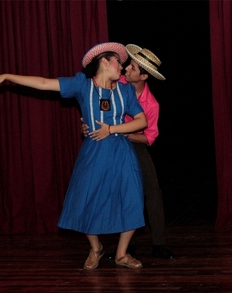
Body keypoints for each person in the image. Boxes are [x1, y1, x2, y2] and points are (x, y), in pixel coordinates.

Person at [0, 42, 147, 269]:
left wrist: (111, 129)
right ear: (105, 63)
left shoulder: (125, 91)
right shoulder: (82, 85)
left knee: (131, 199)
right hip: (95, 151)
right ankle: (96, 248)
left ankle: (121, 254)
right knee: (86, 198)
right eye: (118, 61)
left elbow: (141, 121)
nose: (122, 66)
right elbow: (43, 83)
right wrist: (9, 76)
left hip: (121, 151)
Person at [81, 44, 174, 260]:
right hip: (106, 142)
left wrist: (122, 133)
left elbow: (149, 138)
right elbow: (92, 102)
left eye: (132, 68)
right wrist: (86, 125)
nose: (126, 69)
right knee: (114, 192)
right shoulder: (115, 83)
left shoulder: (151, 105)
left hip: (132, 144)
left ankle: (159, 244)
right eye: (128, 65)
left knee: (152, 191)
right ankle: (124, 247)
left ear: (143, 76)